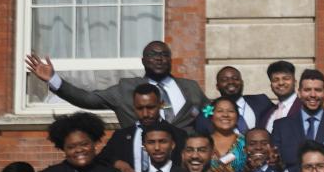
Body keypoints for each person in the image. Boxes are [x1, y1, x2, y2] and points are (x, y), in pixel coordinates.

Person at [25, 40, 209, 130]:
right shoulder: (125, 89)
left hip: (184, 167)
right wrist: (54, 80)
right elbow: (88, 98)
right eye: (153, 55)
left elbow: (211, 112)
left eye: (164, 55)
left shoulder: (190, 88)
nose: (160, 59)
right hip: (142, 167)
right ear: (143, 61)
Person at [97, 82, 186, 172]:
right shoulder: (121, 136)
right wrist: (117, 163)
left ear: (161, 105)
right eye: (140, 108)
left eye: (150, 107)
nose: (145, 114)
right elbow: (101, 160)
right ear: (134, 107)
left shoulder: (178, 135)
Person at [196, 65, 272, 135]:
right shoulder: (207, 112)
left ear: (242, 83)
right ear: (217, 86)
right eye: (224, 80)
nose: (231, 82)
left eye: (235, 78)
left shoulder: (261, 101)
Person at [203, 96, 247, 172]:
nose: (225, 115)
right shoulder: (202, 143)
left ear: (237, 117)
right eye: (220, 111)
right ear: (211, 117)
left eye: (230, 111)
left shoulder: (246, 143)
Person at [265, 60, 299, 126]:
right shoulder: (266, 114)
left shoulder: (304, 108)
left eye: (286, 78)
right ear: (271, 85)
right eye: (275, 80)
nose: (281, 83)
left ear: (295, 81)